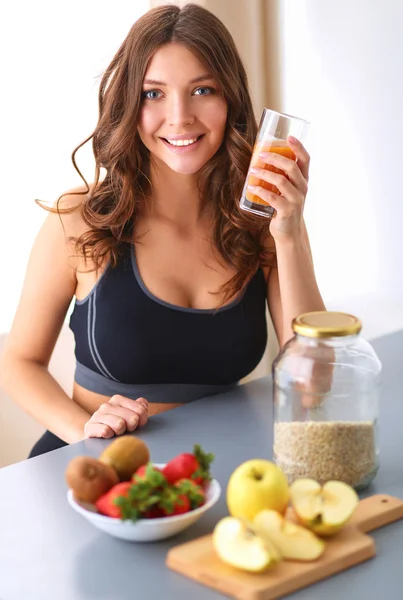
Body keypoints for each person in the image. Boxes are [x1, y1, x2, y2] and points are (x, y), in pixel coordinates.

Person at [0, 3, 325, 458]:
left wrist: (289, 235)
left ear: (230, 98)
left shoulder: (263, 224)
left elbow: (315, 384)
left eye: (202, 90)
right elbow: (18, 363)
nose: (180, 117)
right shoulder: (79, 219)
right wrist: (85, 430)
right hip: (93, 473)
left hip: (214, 476)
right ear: (129, 103)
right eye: (154, 94)